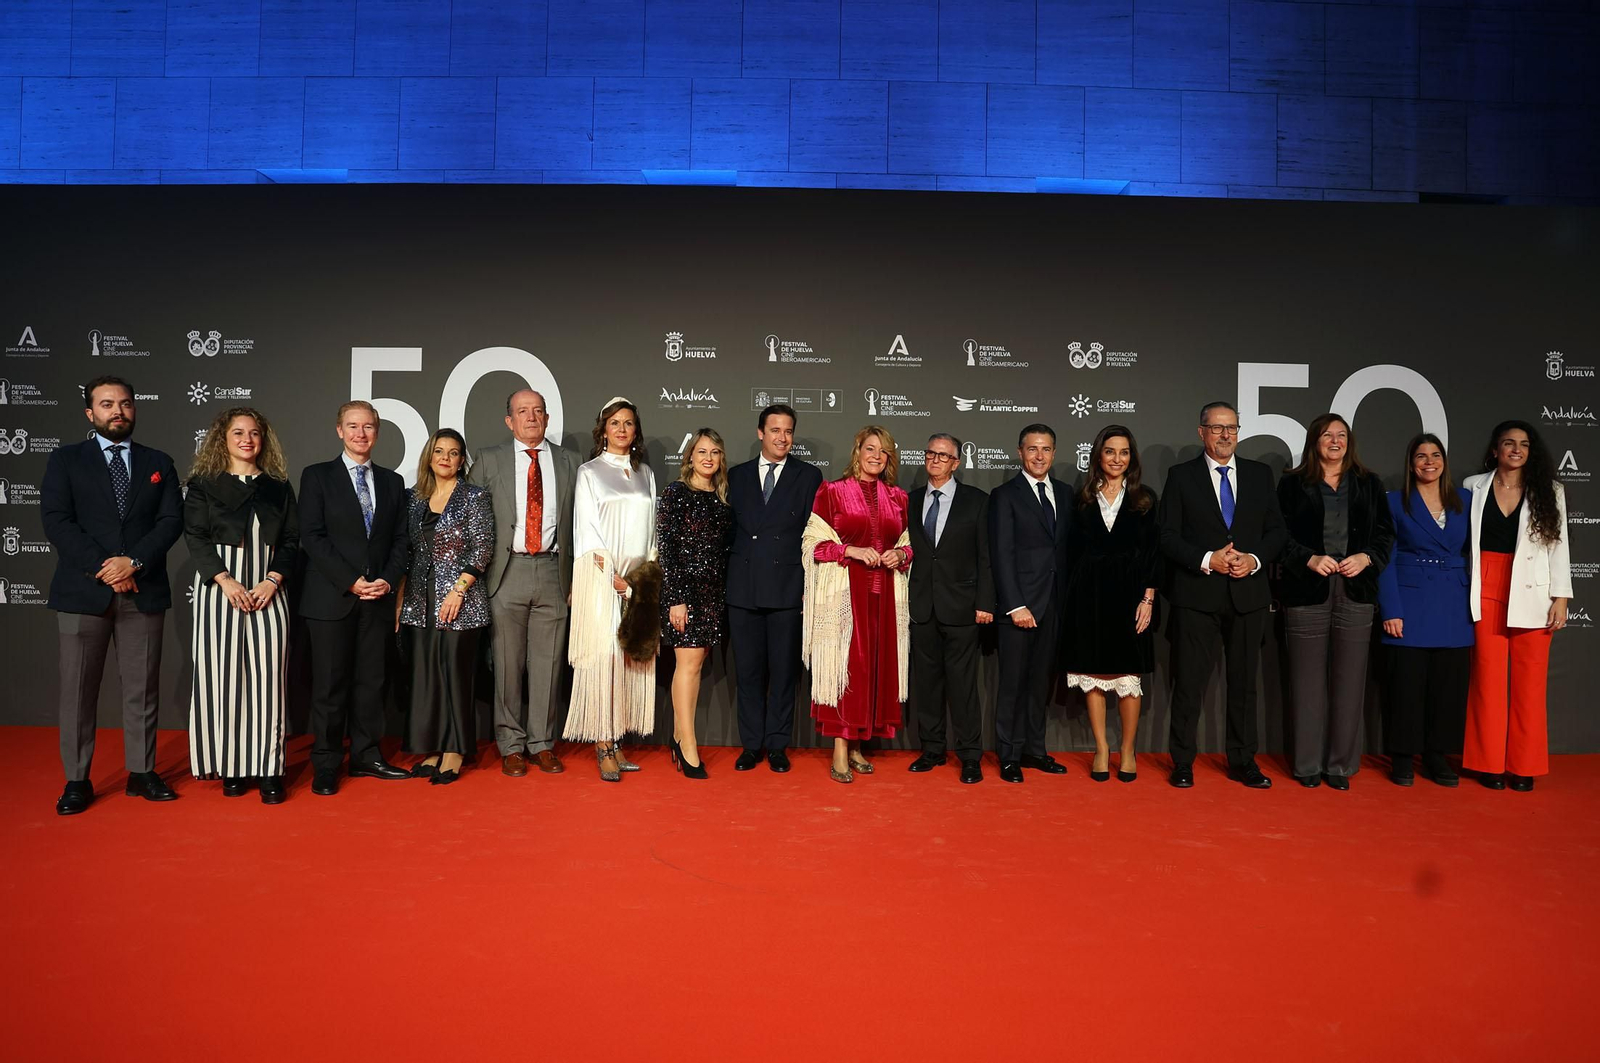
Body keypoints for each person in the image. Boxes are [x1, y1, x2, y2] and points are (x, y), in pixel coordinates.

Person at [41, 376, 183, 815]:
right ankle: (77, 780)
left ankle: (142, 772)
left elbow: (170, 521)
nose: (117, 411)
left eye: (124, 404)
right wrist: (107, 568)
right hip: (83, 591)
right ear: (90, 413)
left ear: (135, 409)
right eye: (106, 404)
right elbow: (58, 521)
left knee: (141, 689)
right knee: (78, 691)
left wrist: (132, 563)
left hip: (143, 591)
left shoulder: (158, 461)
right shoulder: (66, 460)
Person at [1158, 401, 1288, 789]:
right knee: (1189, 683)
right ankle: (1183, 762)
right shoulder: (1181, 477)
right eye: (1217, 428)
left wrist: (1253, 559)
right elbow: (1166, 536)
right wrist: (1205, 559)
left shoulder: (1260, 475)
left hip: (1248, 596)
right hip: (1196, 597)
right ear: (1201, 433)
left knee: (1245, 685)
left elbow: (1277, 532)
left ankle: (1243, 760)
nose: (1225, 435)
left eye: (1231, 427)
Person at [184, 407, 299, 804]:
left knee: (269, 683)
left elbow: (290, 541)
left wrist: (272, 580)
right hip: (220, 590)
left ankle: (269, 769)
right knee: (224, 681)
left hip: (270, 589)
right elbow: (195, 536)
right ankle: (232, 768)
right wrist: (225, 580)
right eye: (238, 432)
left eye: (254, 433)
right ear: (223, 438)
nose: (247, 439)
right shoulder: (203, 484)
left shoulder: (278, 486)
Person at [298, 399, 411, 796]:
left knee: (371, 683)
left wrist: (385, 579)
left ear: (377, 432)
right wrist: (351, 581)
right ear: (339, 430)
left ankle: (366, 756)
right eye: (353, 426)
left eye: (368, 426)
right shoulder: (317, 477)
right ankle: (327, 763)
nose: (361, 433)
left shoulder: (393, 483)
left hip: (377, 599)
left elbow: (401, 540)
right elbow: (311, 536)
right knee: (329, 686)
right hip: (331, 599)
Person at [1276, 414, 1394, 790]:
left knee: (1349, 683)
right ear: (1315, 441)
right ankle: (1307, 764)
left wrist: (1367, 558)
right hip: (1307, 591)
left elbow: (1385, 535)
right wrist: (1307, 558)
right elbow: (1276, 535)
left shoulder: (1369, 483)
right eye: (1328, 434)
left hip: (1356, 593)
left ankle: (1340, 766)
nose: (1335, 440)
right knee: (1307, 685)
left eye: (1342, 435)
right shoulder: (1293, 484)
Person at [469, 388, 580, 777]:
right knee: (507, 664)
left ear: (547, 419)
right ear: (509, 421)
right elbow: (470, 518)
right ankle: (511, 745)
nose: (531, 417)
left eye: (538, 411)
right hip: (506, 571)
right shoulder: (488, 460)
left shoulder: (570, 461)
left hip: (553, 570)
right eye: (522, 411)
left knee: (549, 664)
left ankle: (542, 743)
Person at [1462, 420, 1572, 791]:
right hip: (1487, 587)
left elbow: (1559, 545)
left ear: (1530, 451)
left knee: (1529, 685)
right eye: (1508, 443)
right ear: (1495, 449)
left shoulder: (1550, 490)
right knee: (1487, 683)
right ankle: (1488, 764)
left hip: (1533, 591)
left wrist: (1561, 597)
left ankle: (1523, 766)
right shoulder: (1472, 487)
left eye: (1523, 444)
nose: (1516, 449)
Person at [802, 426, 913, 783]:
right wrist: (848, 550)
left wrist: (901, 553)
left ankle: (857, 745)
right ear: (858, 451)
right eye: (870, 448)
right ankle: (839, 748)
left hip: (885, 600)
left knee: (874, 673)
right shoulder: (832, 491)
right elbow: (812, 545)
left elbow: (911, 546)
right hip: (846, 597)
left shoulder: (899, 498)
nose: (876, 456)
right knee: (845, 671)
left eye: (884, 451)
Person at [726, 403, 824, 773]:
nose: (782, 438)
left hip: (787, 588)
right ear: (760, 433)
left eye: (788, 431)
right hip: (743, 589)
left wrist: (807, 587)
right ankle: (751, 745)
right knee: (748, 673)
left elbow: (813, 534)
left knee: (783, 673)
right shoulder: (736, 476)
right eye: (775, 431)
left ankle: (778, 745)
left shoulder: (808, 476)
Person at [564, 397, 658, 781]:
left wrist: (639, 581)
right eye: (615, 423)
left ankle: (617, 741)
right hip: (602, 581)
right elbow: (586, 532)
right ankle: (602, 744)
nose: (622, 429)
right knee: (604, 661)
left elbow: (653, 531)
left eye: (629, 423)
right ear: (603, 429)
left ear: (636, 431)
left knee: (629, 663)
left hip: (637, 585)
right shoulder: (589, 472)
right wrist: (613, 580)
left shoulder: (646, 474)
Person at [1063, 424, 1160, 783]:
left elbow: (1153, 553)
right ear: (1098, 456)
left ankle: (1129, 749)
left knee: (1127, 674)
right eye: (1109, 451)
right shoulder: (1082, 498)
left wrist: (1148, 598)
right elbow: (1072, 552)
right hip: (1087, 597)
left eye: (1123, 452)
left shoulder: (1145, 498)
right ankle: (1102, 748)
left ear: (1131, 458)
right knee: (1093, 674)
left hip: (1131, 597)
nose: (1116, 459)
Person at [399, 429, 494, 786]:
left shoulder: (474, 496)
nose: (445, 458)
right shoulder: (413, 499)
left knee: (455, 674)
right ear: (429, 456)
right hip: (418, 601)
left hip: (461, 601)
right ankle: (432, 747)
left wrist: (458, 591)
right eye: (439, 451)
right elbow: (406, 551)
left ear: (461, 460)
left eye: (454, 453)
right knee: (426, 677)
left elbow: (482, 547)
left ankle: (455, 750)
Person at [1377, 434, 1473, 787]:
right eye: (1421, 456)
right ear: (1411, 463)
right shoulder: (1393, 501)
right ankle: (1402, 756)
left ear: (1444, 461)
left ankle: (1437, 755)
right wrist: (1391, 608)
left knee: (1448, 685)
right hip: (1409, 600)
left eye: (1435, 455)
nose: (1429, 462)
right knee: (1407, 683)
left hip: (1454, 601)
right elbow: (1384, 558)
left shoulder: (1465, 499)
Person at [906, 433, 994, 784]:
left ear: (956, 463)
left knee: (963, 686)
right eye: (931, 454)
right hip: (921, 607)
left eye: (944, 456)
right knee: (927, 684)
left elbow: (986, 557)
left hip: (962, 609)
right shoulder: (910, 501)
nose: (936, 460)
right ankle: (932, 749)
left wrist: (985, 603)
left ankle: (970, 755)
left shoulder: (977, 501)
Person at [988, 423, 1072, 784]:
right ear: (1020, 452)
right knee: (1013, 685)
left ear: (1054, 453)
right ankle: (1008, 755)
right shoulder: (1004, 495)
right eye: (1033, 449)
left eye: (1047, 449)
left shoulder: (1067, 494)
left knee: (1041, 684)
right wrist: (1015, 605)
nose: (1040, 456)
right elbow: (1001, 555)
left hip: (1055, 604)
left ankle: (1034, 751)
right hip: (1019, 608)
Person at [657, 428, 734, 780]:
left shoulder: (722, 497)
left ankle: (677, 736)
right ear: (690, 456)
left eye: (714, 452)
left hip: (713, 594)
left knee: (695, 664)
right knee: (687, 665)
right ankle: (688, 746)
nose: (708, 458)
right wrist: (676, 599)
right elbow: (668, 550)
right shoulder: (676, 493)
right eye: (701, 451)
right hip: (684, 593)